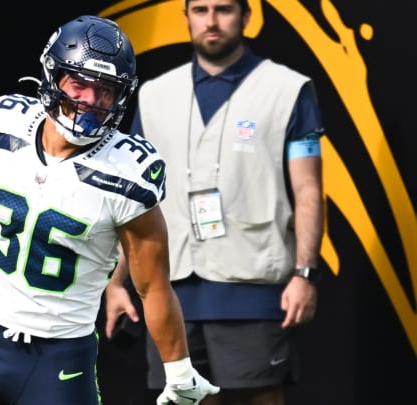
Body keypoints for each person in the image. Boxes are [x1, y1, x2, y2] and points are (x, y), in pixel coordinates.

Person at [0, 15, 219, 405]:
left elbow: (152, 285)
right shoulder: (4, 127)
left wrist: (179, 371)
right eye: (79, 84)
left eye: (105, 91)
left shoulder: (127, 172)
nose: (90, 102)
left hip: (59, 358)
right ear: (53, 75)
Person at [103, 0, 324, 404]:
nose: (211, 20)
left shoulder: (287, 89)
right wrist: (114, 283)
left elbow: (308, 189)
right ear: (185, 17)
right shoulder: (153, 96)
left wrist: (305, 275)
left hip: (255, 286)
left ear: (246, 17)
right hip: (170, 294)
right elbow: (134, 199)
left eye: (223, 9)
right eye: (200, 9)